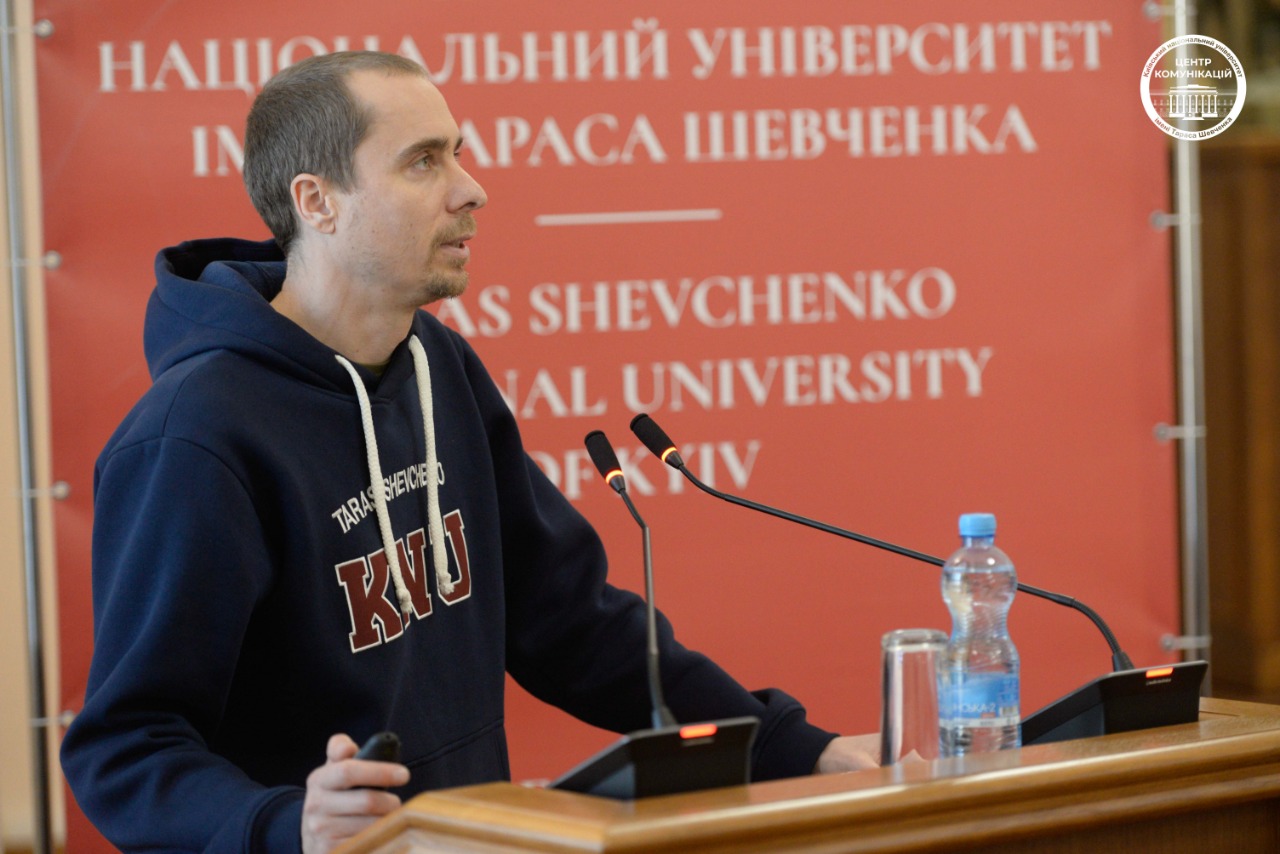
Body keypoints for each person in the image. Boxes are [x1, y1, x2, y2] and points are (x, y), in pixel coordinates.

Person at [60, 51, 878, 853]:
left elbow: (570, 622)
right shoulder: (194, 438)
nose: (471, 188)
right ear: (318, 201)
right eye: (423, 162)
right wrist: (289, 825)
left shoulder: (437, 364)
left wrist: (792, 750)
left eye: (458, 152)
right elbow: (126, 750)